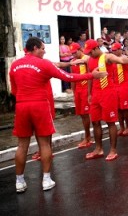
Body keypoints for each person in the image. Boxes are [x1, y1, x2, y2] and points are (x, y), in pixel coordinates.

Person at [10, 37, 107, 193]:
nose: (44, 51)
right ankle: (46, 180)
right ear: (35, 48)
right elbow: (67, 77)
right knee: (44, 144)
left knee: (22, 145)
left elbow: (13, 91)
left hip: (21, 106)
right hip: (39, 105)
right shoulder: (43, 63)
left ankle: (19, 181)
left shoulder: (14, 65)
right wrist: (91, 76)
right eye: (42, 48)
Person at [82, 39, 128, 161]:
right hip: (95, 94)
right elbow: (90, 77)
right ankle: (98, 149)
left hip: (108, 93)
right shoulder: (90, 60)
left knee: (110, 122)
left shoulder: (107, 57)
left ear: (96, 48)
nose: (89, 54)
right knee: (95, 122)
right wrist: (89, 93)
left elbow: (121, 60)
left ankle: (113, 150)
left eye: (90, 52)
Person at [69, 43, 94, 149]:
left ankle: (88, 137)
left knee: (85, 114)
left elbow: (90, 77)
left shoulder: (87, 59)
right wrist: (73, 92)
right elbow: (72, 78)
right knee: (81, 114)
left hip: (85, 89)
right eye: (72, 53)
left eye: (75, 52)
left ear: (80, 50)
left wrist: (89, 93)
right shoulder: (72, 62)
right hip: (78, 90)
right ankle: (87, 136)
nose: (74, 55)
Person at [110, 42, 128, 137]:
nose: (114, 52)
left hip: (124, 86)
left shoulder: (125, 59)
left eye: (116, 50)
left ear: (120, 49)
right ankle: (122, 127)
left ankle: (127, 127)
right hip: (115, 87)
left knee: (124, 108)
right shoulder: (112, 61)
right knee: (118, 109)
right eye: (113, 51)